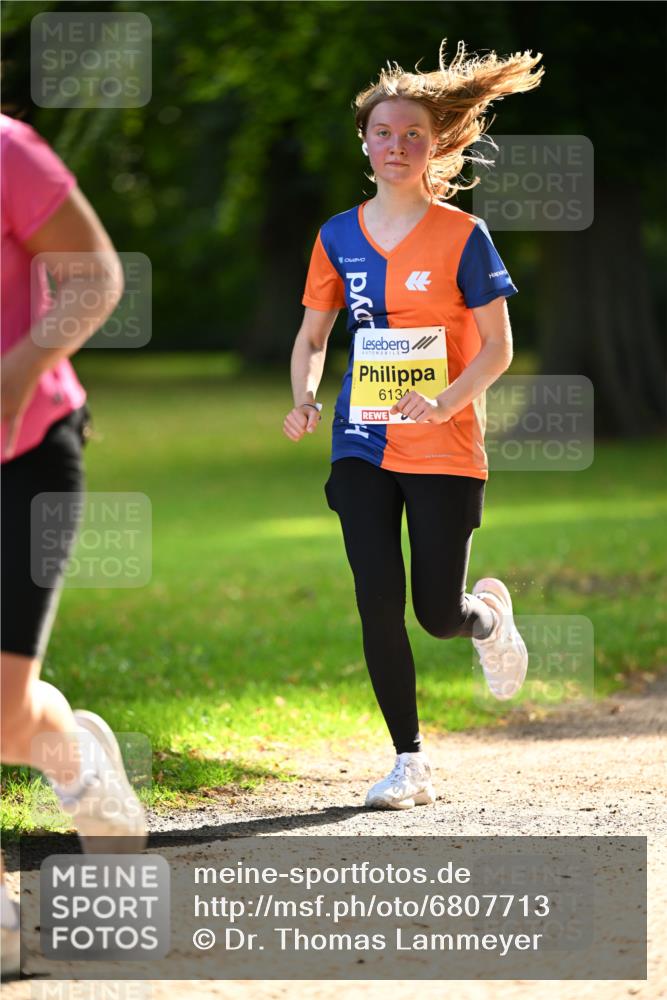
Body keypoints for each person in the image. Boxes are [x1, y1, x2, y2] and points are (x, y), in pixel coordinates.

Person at [283, 40, 544, 809]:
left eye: (412, 136)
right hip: (360, 441)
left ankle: (485, 618)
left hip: (445, 443)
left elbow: (498, 348)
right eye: (383, 133)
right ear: (363, 141)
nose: (396, 146)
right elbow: (311, 337)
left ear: (435, 147)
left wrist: (445, 402)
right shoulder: (335, 235)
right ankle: (409, 760)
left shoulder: (463, 236)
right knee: (375, 595)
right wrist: (303, 395)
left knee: (436, 613)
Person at [0, 112, 147, 976]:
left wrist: (18, 370)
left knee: (4, 715)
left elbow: (94, 276)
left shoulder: (9, 151)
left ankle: (81, 761)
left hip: (25, 448)